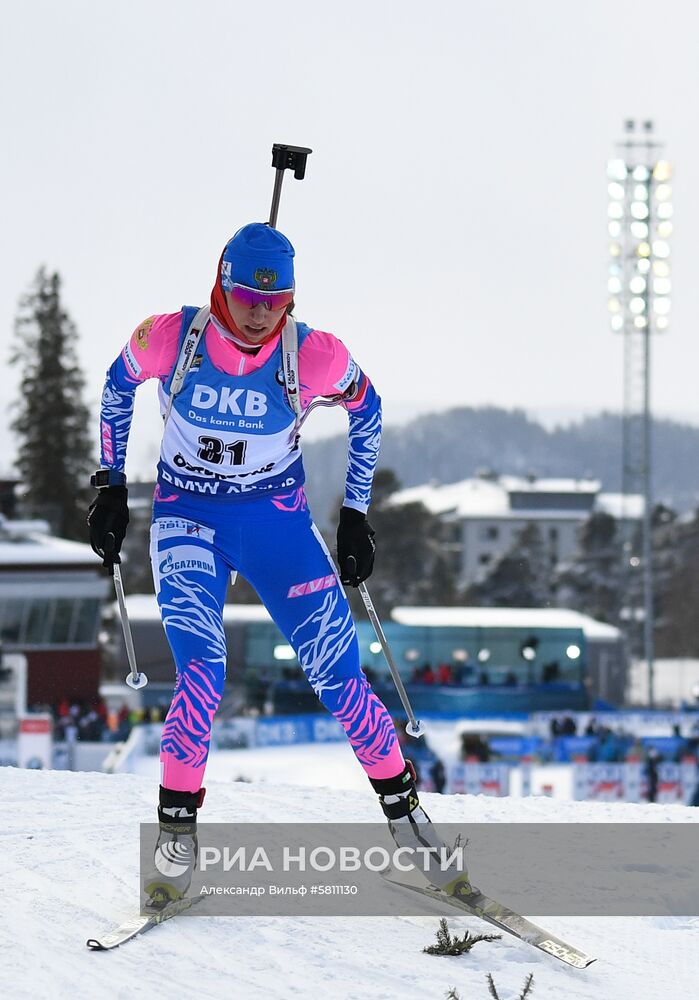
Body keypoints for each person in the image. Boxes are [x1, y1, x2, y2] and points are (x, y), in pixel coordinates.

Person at [87, 223, 450, 905]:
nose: (261, 313)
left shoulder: (313, 353)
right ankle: (176, 838)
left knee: (338, 674)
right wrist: (109, 484)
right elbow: (115, 388)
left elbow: (367, 412)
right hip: (186, 518)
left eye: (276, 299)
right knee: (202, 670)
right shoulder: (172, 335)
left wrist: (354, 514)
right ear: (221, 285)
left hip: (274, 521)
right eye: (249, 299)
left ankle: (407, 819)